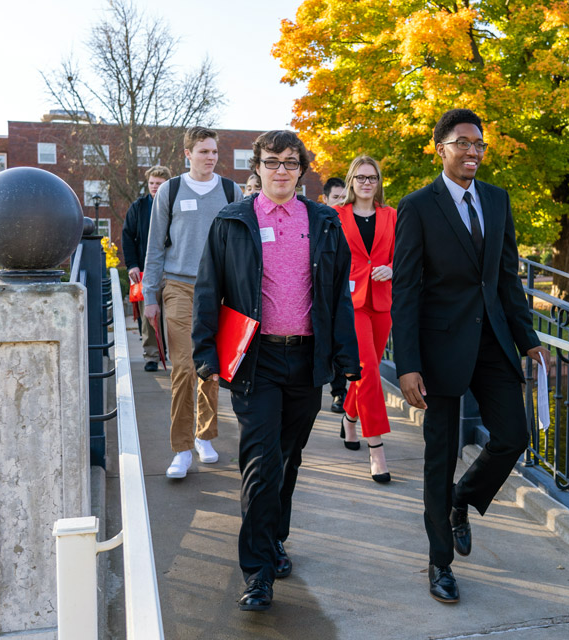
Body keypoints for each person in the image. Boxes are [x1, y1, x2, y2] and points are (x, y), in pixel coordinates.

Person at [191, 130, 360, 612]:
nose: (281, 170)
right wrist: (205, 353)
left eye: (290, 162)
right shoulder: (232, 221)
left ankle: (275, 538)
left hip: (307, 360)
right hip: (257, 360)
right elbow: (209, 290)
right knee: (261, 463)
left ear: (301, 169)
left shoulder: (325, 222)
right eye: (272, 162)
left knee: (288, 458)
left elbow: (338, 298)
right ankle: (258, 571)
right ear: (257, 168)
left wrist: (347, 362)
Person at [391, 108, 552, 604]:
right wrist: (408, 363)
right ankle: (440, 564)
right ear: (440, 147)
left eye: (480, 144)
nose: (473, 152)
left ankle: (464, 500)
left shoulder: (498, 202)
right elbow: (406, 290)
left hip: (493, 342)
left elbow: (506, 278)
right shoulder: (417, 207)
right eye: (463, 142)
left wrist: (528, 337)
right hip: (439, 350)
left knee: (512, 436)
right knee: (439, 458)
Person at [142, 126, 243, 480]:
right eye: (203, 152)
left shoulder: (232, 191)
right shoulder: (170, 190)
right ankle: (182, 449)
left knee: (210, 368)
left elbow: (241, 248)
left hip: (219, 292)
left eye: (214, 152)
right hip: (179, 287)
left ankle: (205, 435)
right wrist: (151, 295)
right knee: (185, 367)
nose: (210, 158)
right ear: (187, 154)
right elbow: (155, 247)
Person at [332, 156, 396, 482]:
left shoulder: (392, 216)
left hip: (382, 304)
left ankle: (349, 416)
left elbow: (407, 255)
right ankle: (377, 449)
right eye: (360, 177)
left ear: (378, 182)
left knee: (362, 373)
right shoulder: (336, 216)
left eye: (372, 177)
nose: (366, 183)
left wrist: (393, 269)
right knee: (369, 370)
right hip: (350, 303)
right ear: (351, 181)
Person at [122, 165, 171, 372]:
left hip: (171, 270)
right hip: (145, 269)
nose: (154, 187)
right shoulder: (139, 207)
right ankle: (151, 356)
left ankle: (175, 355)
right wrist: (132, 264)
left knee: (172, 315)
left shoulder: (173, 204)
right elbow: (127, 236)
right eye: (151, 183)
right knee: (148, 314)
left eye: (158, 184)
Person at [322, 176, 350, 412]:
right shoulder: (320, 223)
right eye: (336, 198)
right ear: (325, 199)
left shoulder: (351, 221)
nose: (341, 202)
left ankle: (342, 396)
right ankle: (339, 392)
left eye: (344, 197)